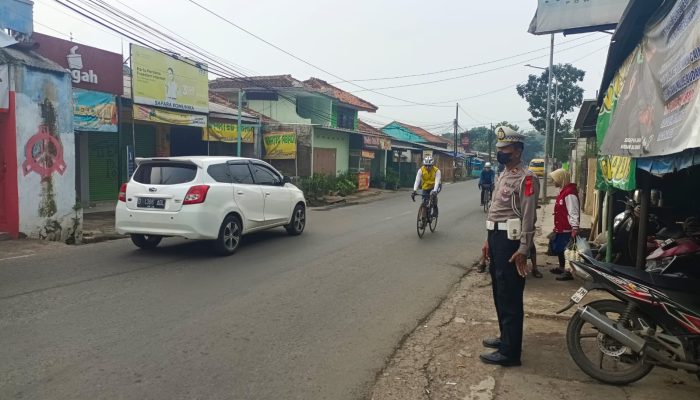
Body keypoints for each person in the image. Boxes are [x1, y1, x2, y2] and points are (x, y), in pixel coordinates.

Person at [480, 125, 540, 367]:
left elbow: (528, 216)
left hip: (511, 242)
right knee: (499, 291)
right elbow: (496, 212)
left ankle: (510, 352)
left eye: (505, 148)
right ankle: (505, 338)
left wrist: (524, 249)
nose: (501, 152)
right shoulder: (503, 174)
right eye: (499, 149)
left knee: (510, 294)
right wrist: (487, 240)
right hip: (496, 239)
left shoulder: (527, 178)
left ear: (517, 150)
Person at [548, 169, 580, 281]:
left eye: (555, 179)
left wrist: (574, 227)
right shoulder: (564, 191)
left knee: (567, 250)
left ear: (561, 179)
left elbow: (573, 211)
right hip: (560, 227)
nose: (553, 182)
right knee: (560, 248)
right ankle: (562, 267)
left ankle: (568, 272)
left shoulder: (570, 193)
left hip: (567, 228)